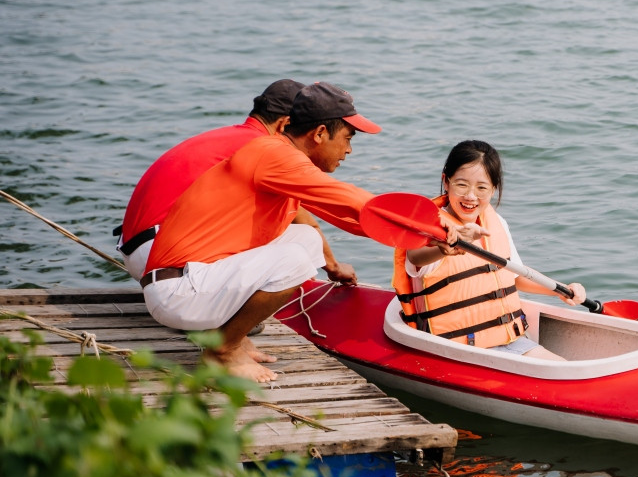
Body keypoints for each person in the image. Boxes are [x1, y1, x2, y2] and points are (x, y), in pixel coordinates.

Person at [142, 82, 475, 383]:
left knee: (305, 240)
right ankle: (222, 352)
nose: (349, 151)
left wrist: (428, 237)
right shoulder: (273, 155)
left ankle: (231, 337)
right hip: (179, 291)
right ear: (319, 133)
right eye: (347, 138)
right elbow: (348, 198)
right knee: (295, 260)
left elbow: (353, 218)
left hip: (194, 283)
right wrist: (434, 220)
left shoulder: (281, 162)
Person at [392, 140, 586, 360]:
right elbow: (416, 257)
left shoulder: (497, 223)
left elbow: (516, 275)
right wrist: (448, 244)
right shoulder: (428, 229)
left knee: (562, 367)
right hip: (453, 350)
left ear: (494, 189)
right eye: (462, 185)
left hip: (510, 341)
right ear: (446, 182)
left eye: (482, 187)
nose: (471, 196)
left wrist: (561, 290)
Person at [116, 79, 304, 279]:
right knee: (296, 246)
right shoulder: (264, 149)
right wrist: (333, 268)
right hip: (164, 256)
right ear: (285, 125)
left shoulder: (229, 137)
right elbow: (307, 223)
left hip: (139, 249)